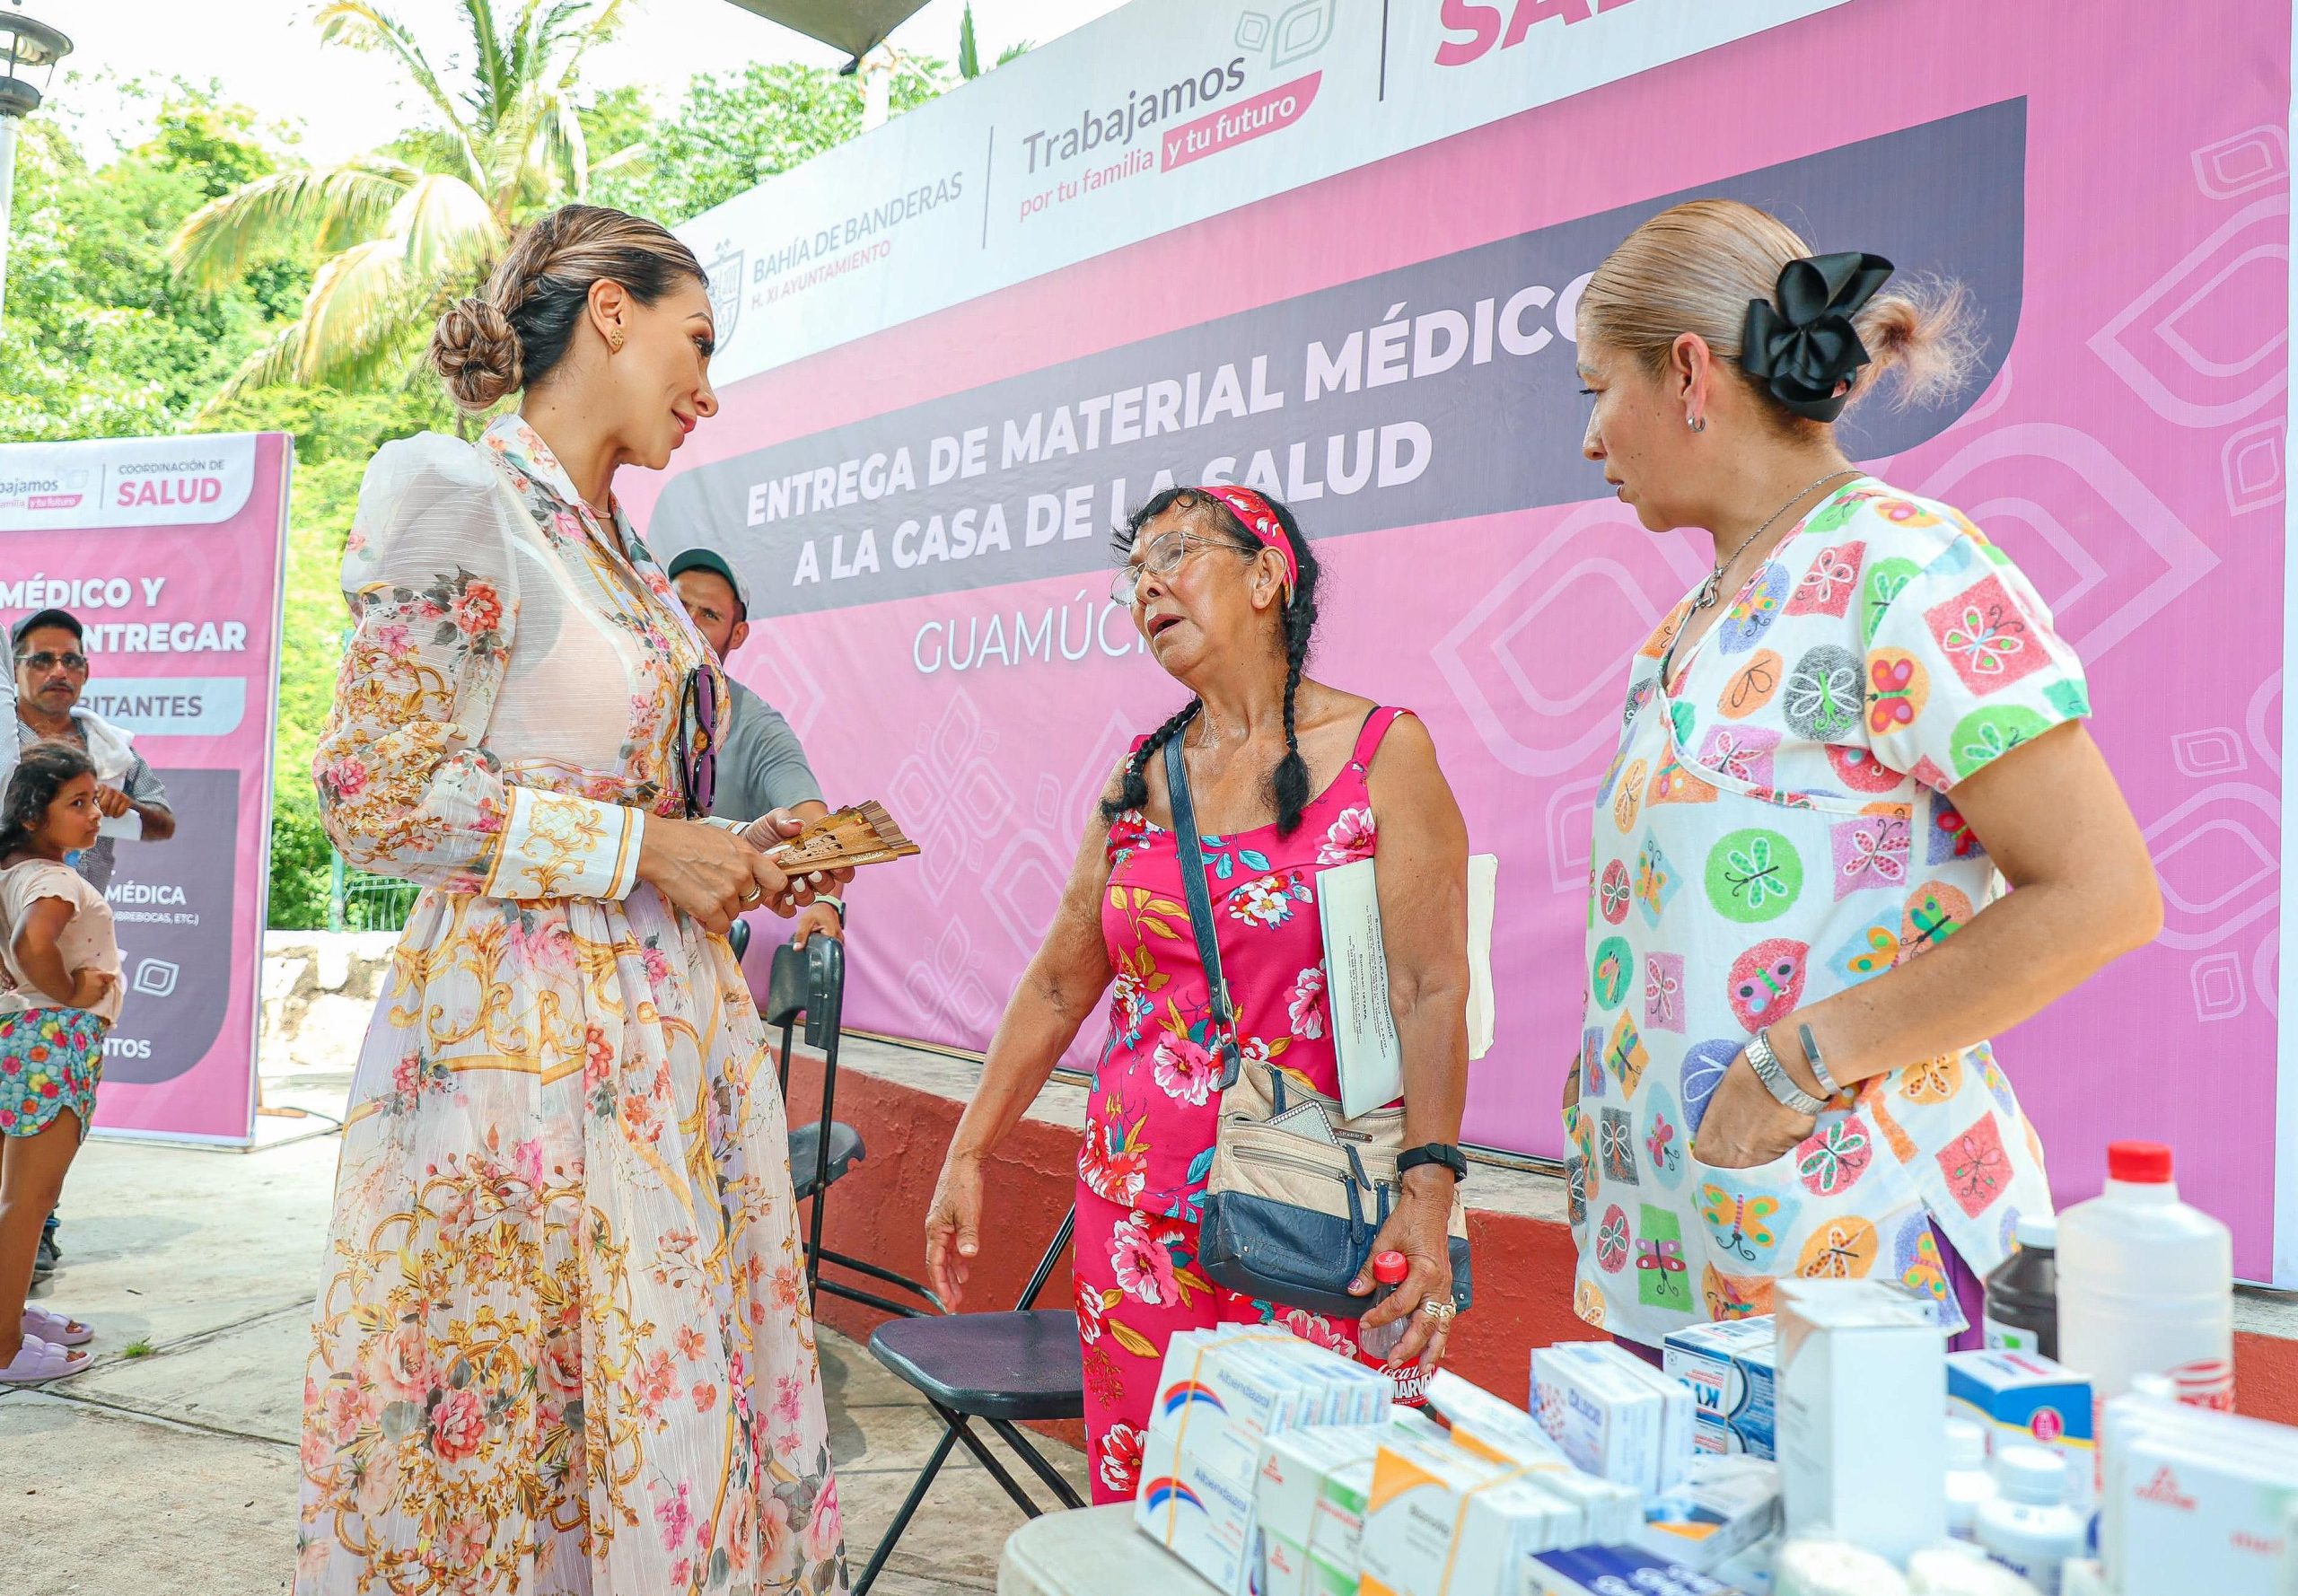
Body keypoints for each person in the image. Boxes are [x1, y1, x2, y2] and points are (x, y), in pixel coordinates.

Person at [296, 205, 851, 1596]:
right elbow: (374, 793)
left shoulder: (625, 552)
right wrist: (647, 857)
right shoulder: (455, 489)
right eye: (697, 339)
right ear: (612, 309)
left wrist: (733, 842)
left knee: (652, 1423)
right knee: (517, 1444)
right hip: (522, 1064)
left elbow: (619, 799)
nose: (709, 388)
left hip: (665, 1055)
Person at [1563, 199, 2162, 1355]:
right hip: (1692, 1260)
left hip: (1861, 1259)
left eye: (1596, 389)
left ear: (1688, 371)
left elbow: (2101, 895)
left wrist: (1797, 1064)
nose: (1591, 437)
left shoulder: (1904, 565)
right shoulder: (1689, 624)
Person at [922, 486, 1474, 1504]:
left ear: (1267, 576)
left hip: (1316, 1214)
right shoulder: (1140, 779)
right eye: (1134, 570)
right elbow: (1055, 985)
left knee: (1310, 1501)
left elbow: (1430, 985)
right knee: (1154, 1497)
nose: (1148, 584)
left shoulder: (1382, 754)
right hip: (1136, 1220)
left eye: (1174, 553)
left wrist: (1429, 1191)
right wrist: (968, 1148)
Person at [11, 607, 177, 1285]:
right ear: (13, 668)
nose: (58, 672)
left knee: (48, 1099)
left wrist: (123, 806)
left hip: (65, 942)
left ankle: (32, 1236)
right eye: (41, 659)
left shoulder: (111, 748)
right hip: (15, 937)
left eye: (72, 660)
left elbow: (164, 823)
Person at [0, 741, 121, 1381]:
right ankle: (3, 1347)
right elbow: (30, 941)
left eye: (93, 799)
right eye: (77, 803)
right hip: (52, 1042)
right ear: (31, 815)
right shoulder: (53, 879)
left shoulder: (13, 873)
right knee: (29, 1201)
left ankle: (10, 1313)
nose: (93, 814)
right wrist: (71, 993)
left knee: (15, 1197)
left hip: (21, 1037)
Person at [668, 547, 844, 947]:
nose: (687, 623)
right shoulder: (616, 692)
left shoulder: (759, 726)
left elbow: (810, 820)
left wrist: (826, 901)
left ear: (738, 634)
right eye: (678, 605)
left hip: (685, 938)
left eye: (709, 615)